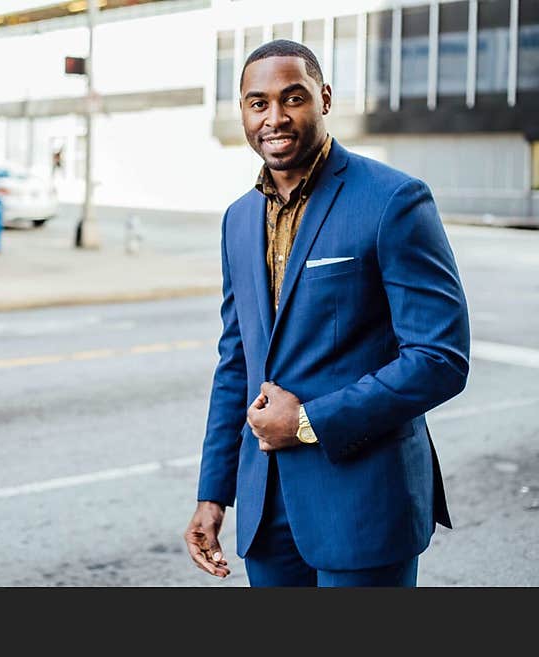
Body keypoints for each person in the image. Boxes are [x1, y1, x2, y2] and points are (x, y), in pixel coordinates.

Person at [183, 40, 470, 587]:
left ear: (325, 99)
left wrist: (310, 421)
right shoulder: (238, 220)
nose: (275, 118)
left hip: (364, 501)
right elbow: (236, 362)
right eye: (257, 103)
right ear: (241, 111)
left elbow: (440, 358)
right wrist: (214, 492)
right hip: (266, 508)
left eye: (293, 98)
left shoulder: (393, 200)